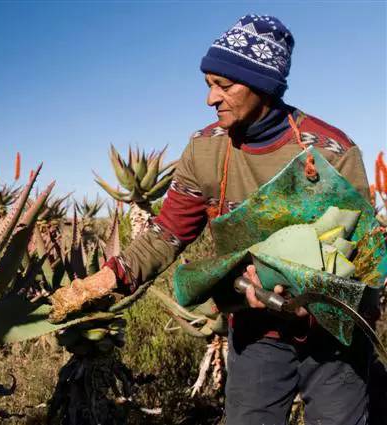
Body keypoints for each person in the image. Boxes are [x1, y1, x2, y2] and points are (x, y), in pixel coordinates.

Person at [50, 14, 376, 425]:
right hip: (255, 331)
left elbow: (364, 260)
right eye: (208, 85)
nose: (211, 99)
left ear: (263, 86)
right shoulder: (206, 151)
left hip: (332, 338)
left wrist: (306, 297)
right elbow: (166, 233)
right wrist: (103, 280)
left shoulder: (332, 151)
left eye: (225, 85)